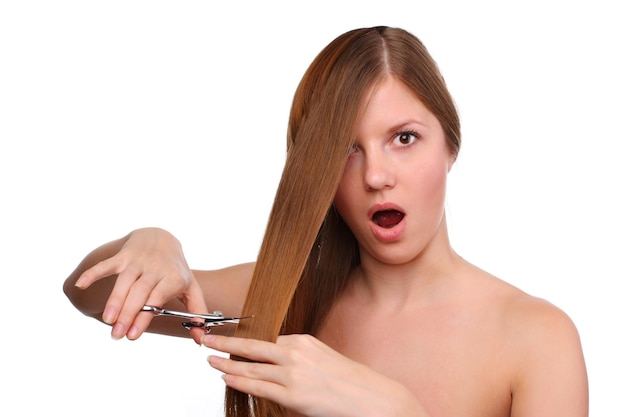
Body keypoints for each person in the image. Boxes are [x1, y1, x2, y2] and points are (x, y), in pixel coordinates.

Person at [64, 26, 588, 417]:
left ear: (450, 145)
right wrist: (154, 245)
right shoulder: (281, 295)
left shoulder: (537, 339)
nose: (377, 175)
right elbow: (89, 295)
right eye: (345, 150)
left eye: (404, 138)